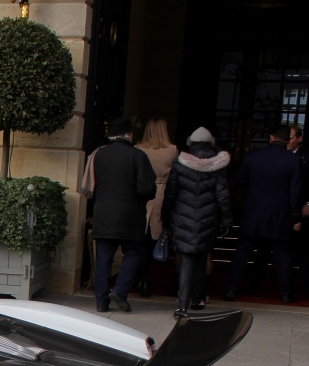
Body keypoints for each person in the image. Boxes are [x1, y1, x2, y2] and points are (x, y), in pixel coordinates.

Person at [224, 122, 302, 302]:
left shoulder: (253, 157)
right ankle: (286, 293)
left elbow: (240, 180)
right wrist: (295, 217)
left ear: (272, 138)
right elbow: (295, 191)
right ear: (286, 140)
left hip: (254, 212)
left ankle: (230, 289)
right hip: (279, 214)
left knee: (242, 253)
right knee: (282, 255)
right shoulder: (293, 160)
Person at [90, 116, 156, 312]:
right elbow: (146, 189)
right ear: (130, 134)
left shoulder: (100, 155)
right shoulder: (138, 156)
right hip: (130, 214)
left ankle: (101, 301)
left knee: (103, 259)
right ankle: (120, 290)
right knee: (134, 253)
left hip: (103, 213)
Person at [162, 127, 232, 314]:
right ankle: (198, 299)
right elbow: (222, 195)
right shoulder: (218, 165)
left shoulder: (180, 163)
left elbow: (171, 192)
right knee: (202, 257)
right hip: (208, 217)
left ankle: (182, 304)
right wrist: (227, 219)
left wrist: (165, 215)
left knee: (185, 258)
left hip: (183, 216)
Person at [135, 118, 178, 296]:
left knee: (142, 242)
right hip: (163, 194)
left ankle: (143, 281)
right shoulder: (172, 150)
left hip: (143, 195)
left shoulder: (139, 149)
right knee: (158, 239)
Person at [288, 123, 309, 298]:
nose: (287, 141)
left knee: (304, 252)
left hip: (301, 211)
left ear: (299, 139)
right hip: (279, 212)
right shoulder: (278, 157)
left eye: (291, 137)